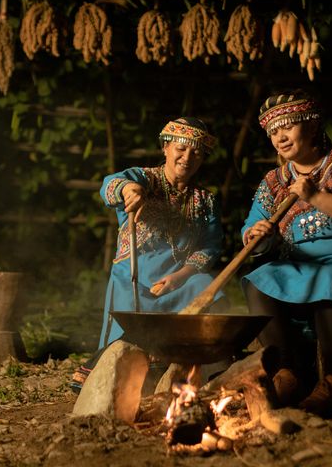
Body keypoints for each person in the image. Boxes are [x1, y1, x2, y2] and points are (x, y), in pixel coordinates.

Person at [241, 90, 332, 417]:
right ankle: (287, 372)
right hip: (297, 264)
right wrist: (257, 235)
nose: (280, 136)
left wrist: (315, 195)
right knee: (258, 278)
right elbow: (251, 230)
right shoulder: (274, 180)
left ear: (312, 123)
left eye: (287, 125)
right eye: (273, 131)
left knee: (330, 277)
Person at [71, 117, 225, 391]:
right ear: (165, 148)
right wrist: (130, 190)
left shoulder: (206, 200)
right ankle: (109, 366)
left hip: (177, 280)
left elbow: (210, 246)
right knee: (132, 312)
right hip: (137, 277)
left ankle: (183, 364)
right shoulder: (144, 178)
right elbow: (111, 184)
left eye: (197, 152)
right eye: (180, 148)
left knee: (203, 285)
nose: (187, 158)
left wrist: (180, 276)